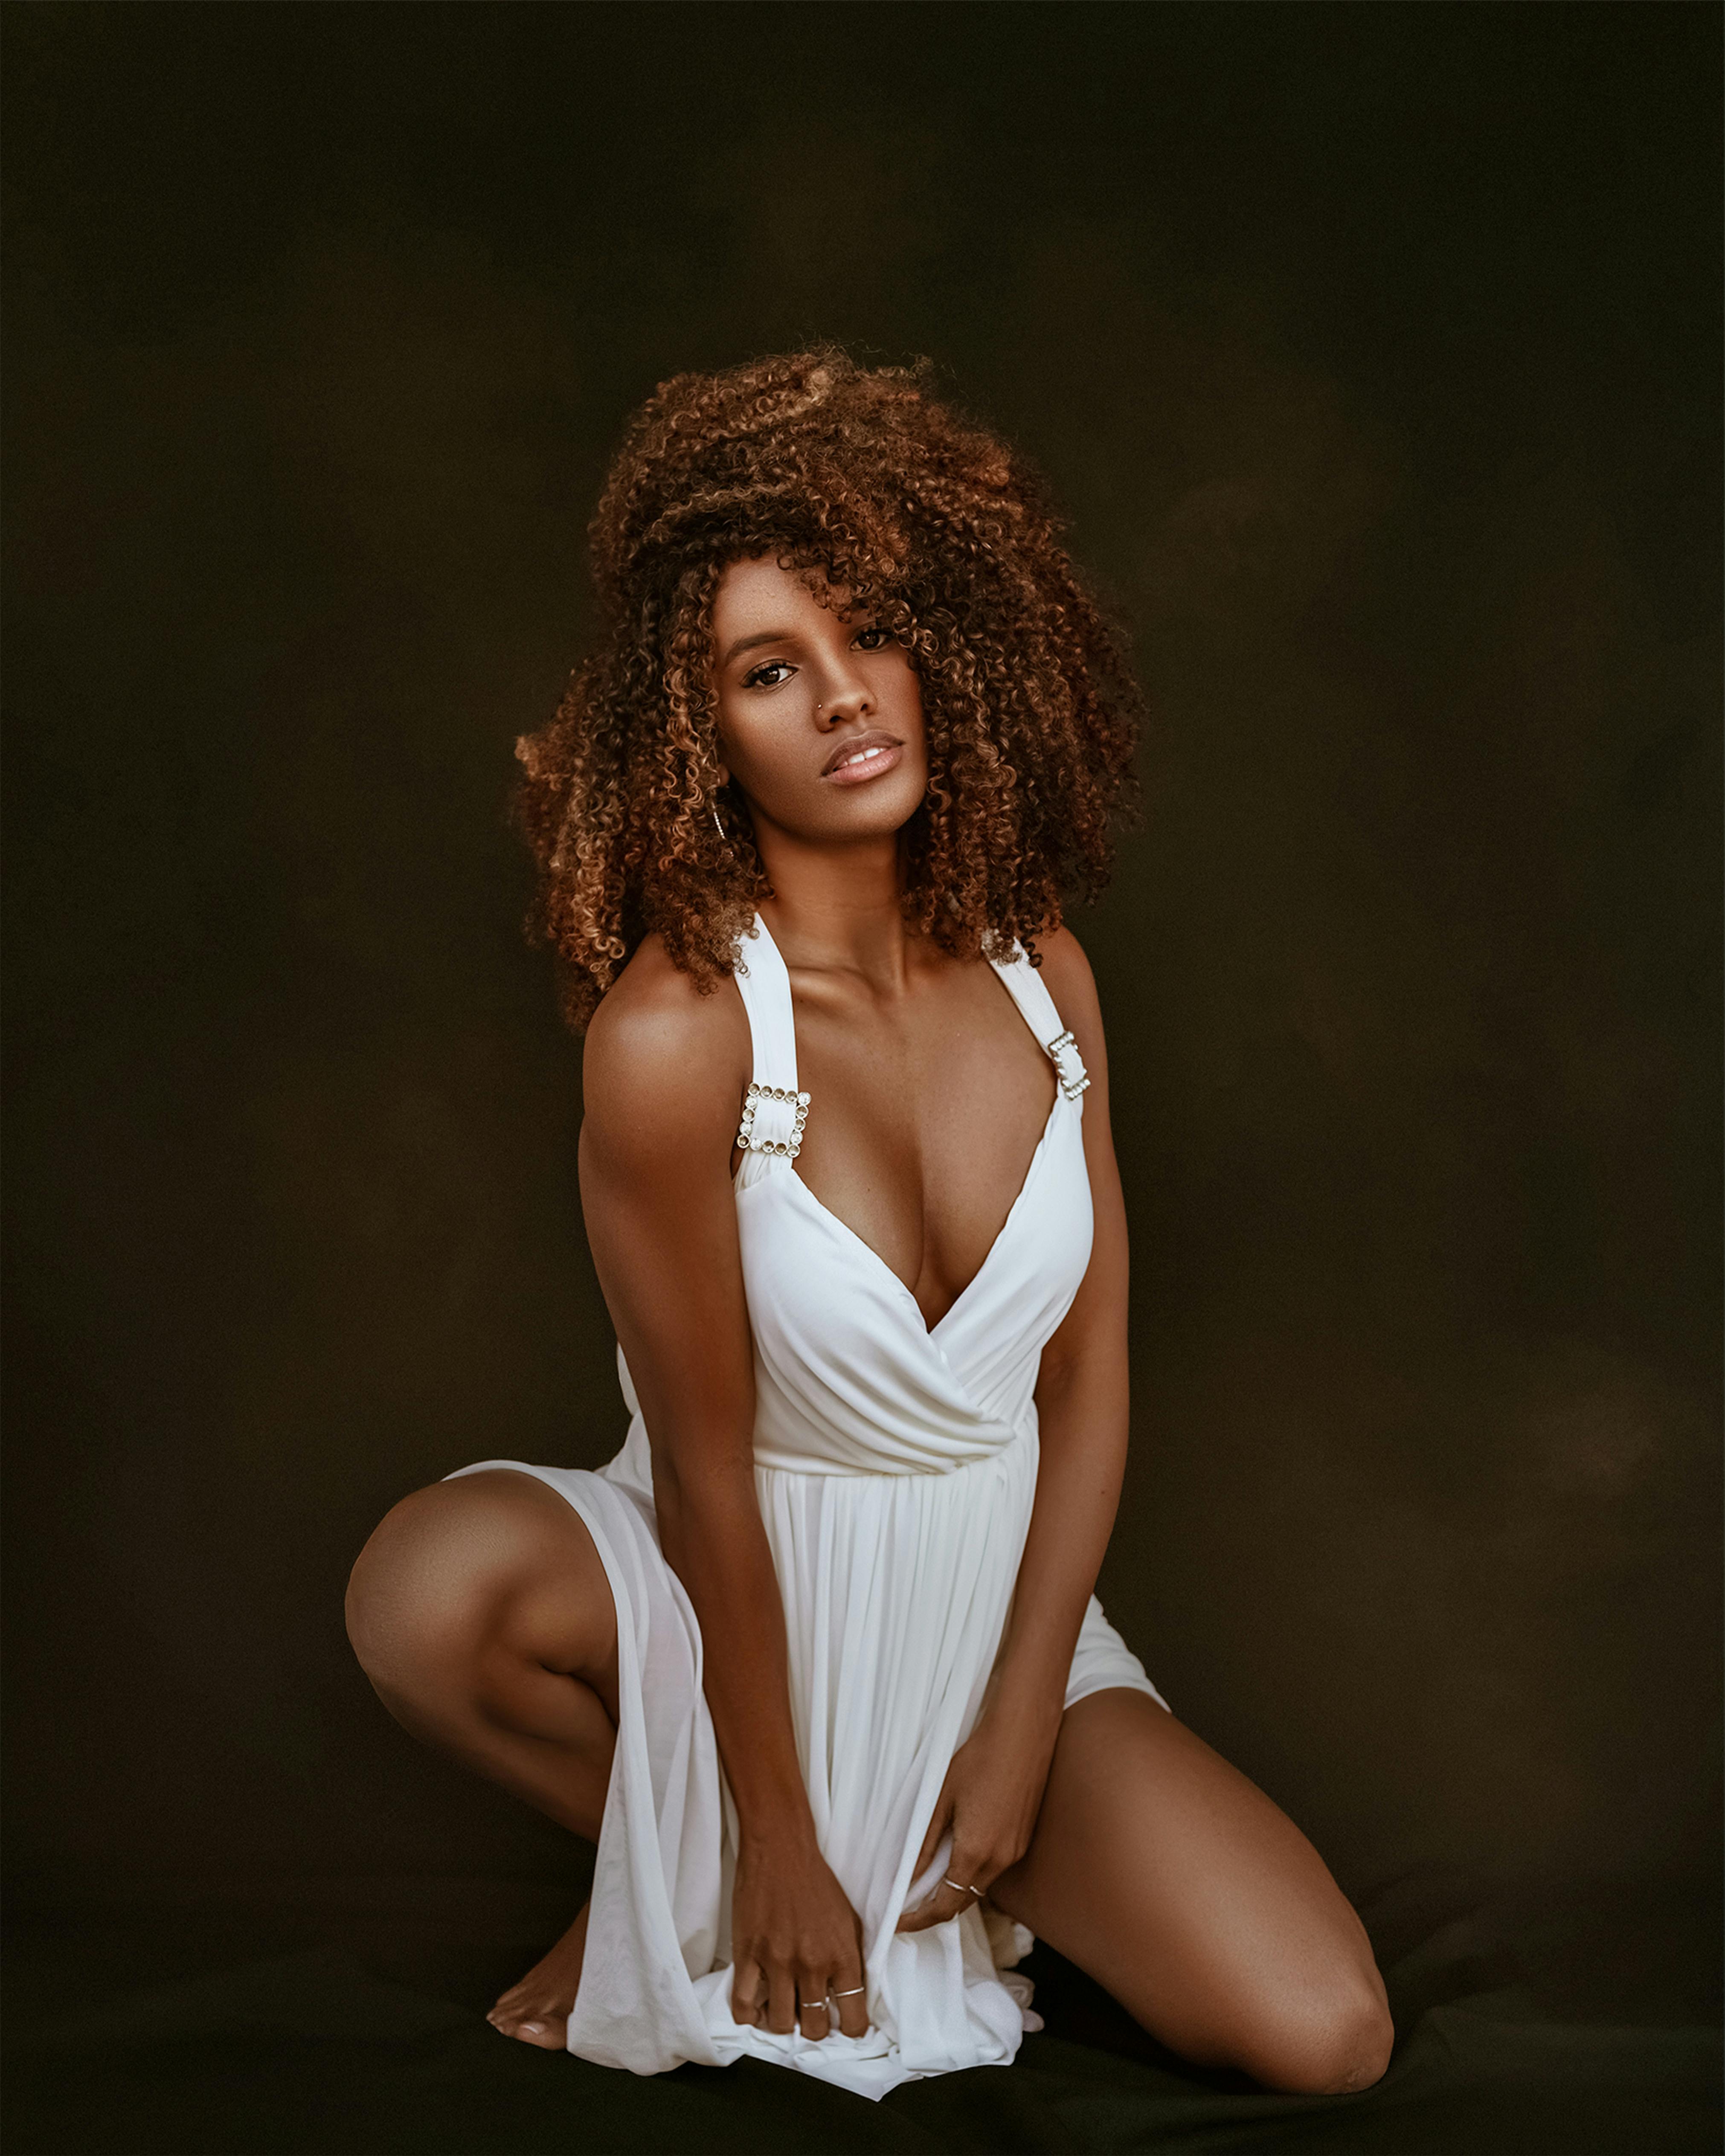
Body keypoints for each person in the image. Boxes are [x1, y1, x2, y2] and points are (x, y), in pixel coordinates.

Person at [343, 349, 1394, 2102]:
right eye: (772, 669)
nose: (845, 698)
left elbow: (1094, 1368)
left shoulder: (1044, 974)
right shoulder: (678, 1039)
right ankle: (681, 1879)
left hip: (999, 1618)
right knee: (421, 1595)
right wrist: (763, 1824)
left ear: (945, 644)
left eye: (870, 635)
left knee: (1330, 2033)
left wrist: (1015, 1727)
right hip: (746, 1590)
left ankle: (770, 1890)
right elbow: (702, 1468)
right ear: (702, 730)